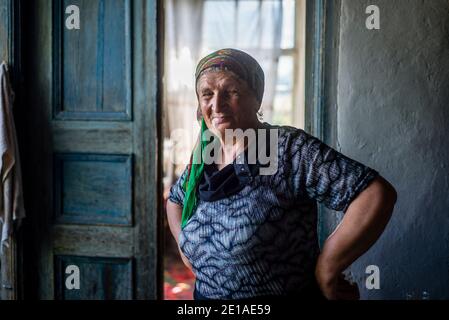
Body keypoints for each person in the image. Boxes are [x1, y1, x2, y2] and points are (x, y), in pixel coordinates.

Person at [166, 48, 397, 300]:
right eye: (206, 94)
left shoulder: (286, 148)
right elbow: (175, 201)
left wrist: (328, 267)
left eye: (231, 91)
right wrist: (185, 247)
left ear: (256, 98)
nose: (217, 104)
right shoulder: (207, 151)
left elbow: (374, 194)